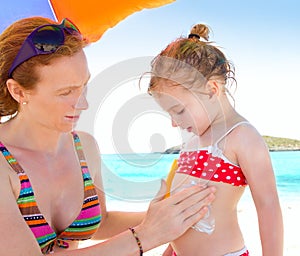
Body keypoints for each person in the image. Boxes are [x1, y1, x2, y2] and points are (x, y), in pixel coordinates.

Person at [0, 17, 216, 255]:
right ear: (18, 91)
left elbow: (99, 223)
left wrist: (167, 216)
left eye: (84, 85)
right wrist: (146, 236)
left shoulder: (84, 146)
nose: (83, 103)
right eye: (65, 93)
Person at [148, 24, 283, 255]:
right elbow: (184, 216)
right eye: (169, 114)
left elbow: (268, 207)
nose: (174, 122)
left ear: (211, 89)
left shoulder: (242, 137)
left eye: (179, 111)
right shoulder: (191, 143)